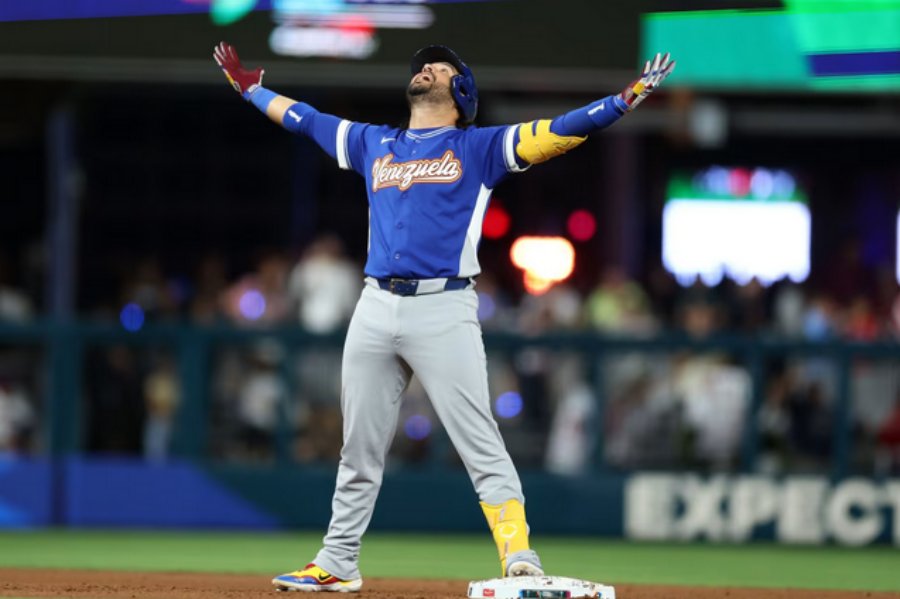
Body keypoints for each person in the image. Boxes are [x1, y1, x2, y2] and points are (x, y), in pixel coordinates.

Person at [214, 41, 675, 592]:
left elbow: (557, 131)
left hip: (445, 305)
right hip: (375, 302)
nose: (426, 68)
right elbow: (305, 120)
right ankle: (337, 562)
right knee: (358, 445)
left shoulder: (477, 147)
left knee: (479, 439)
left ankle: (519, 555)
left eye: (440, 67)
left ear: (461, 93)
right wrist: (251, 89)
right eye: (424, 66)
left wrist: (622, 101)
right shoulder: (372, 141)